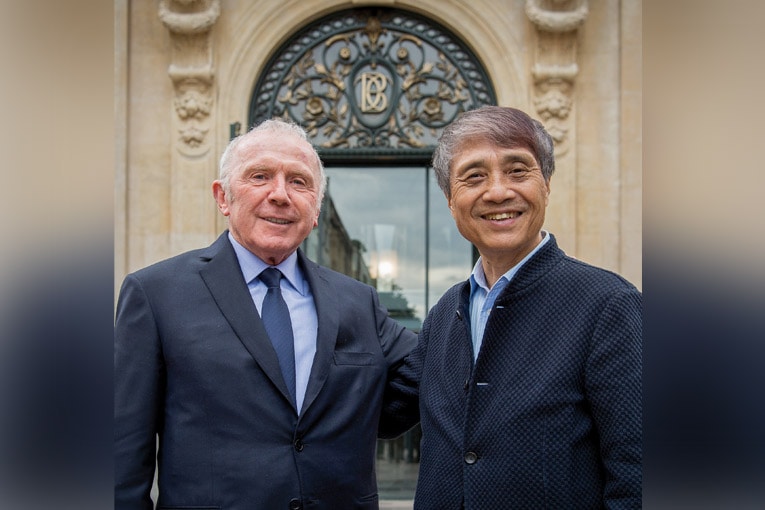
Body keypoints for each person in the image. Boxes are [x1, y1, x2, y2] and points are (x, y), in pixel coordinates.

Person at [114, 118, 417, 509]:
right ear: (223, 197)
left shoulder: (358, 301)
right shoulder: (156, 294)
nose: (280, 194)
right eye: (260, 176)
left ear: (316, 211)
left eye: (299, 181)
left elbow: (434, 372)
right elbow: (121, 456)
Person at [385, 105, 642, 508]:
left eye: (518, 170)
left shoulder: (609, 306)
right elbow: (382, 412)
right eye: (473, 176)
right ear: (451, 201)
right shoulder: (444, 313)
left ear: (546, 185)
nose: (498, 191)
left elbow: (637, 480)